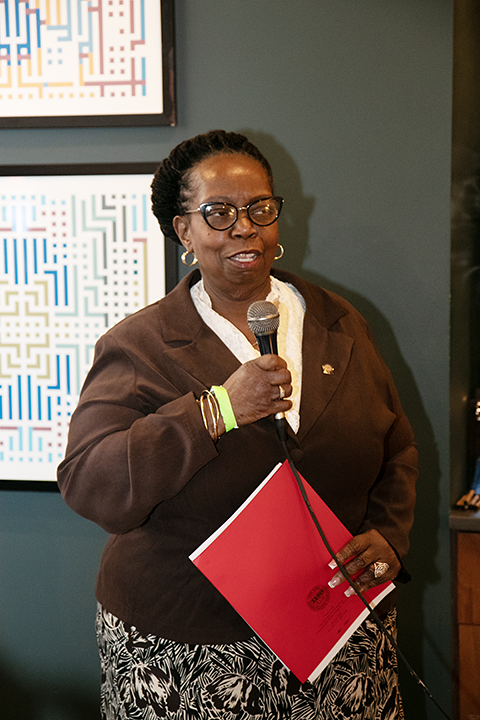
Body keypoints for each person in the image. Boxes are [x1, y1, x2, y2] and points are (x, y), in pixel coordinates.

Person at [57, 129, 418, 720]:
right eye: (218, 213)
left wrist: (390, 535)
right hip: (186, 648)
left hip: (337, 628)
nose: (244, 228)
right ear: (184, 232)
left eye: (259, 209)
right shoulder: (140, 345)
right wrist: (218, 410)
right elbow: (89, 482)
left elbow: (397, 448)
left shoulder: (340, 321)